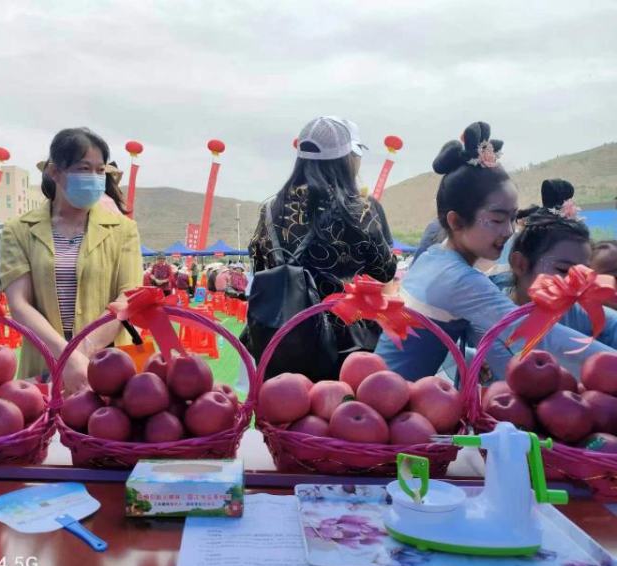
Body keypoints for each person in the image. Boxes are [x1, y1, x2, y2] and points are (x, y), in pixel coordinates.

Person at [375, 121, 611, 382]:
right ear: (455, 222)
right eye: (497, 220)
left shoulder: (435, 257)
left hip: (386, 390)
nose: (509, 231)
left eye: (512, 218)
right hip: (388, 403)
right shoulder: (458, 278)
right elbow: (539, 334)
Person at [0, 127, 142, 393]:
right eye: (83, 169)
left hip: (109, 364)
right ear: (54, 172)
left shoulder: (123, 229)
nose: (94, 178)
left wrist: (83, 351)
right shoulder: (18, 230)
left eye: (100, 171)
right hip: (43, 364)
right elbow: (19, 304)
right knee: (44, 429)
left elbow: (128, 297)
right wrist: (64, 355)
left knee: (106, 428)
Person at [249, 115, 397, 354]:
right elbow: (385, 270)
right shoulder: (358, 209)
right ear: (345, 160)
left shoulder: (270, 209)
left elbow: (259, 267)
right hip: (342, 343)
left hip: (280, 338)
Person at [492, 209, 616, 347]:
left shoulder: (583, 315)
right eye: (563, 269)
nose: (579, 284)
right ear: (520, 264)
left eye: (584, 273)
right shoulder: (489, 317)